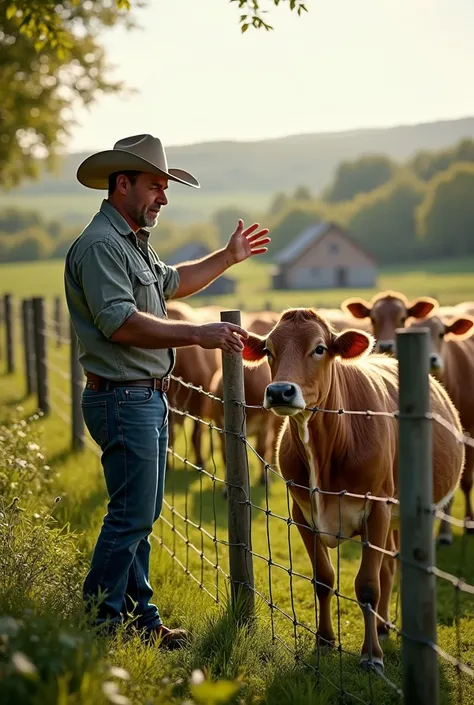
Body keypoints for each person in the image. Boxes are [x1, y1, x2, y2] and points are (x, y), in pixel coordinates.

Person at [64, 134, 270, 649]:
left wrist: (226, 257)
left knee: (139, 513)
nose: (164, 196)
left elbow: (174, 281)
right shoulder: (100, 246)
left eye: (165, 186)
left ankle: (140, 618)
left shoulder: (132, 242)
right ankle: (100, 621)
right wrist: (197, 334)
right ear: (122, 183)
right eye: (156, 185)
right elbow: (119, 323)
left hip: (142, 396)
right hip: (122, 396)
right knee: (133, 513)